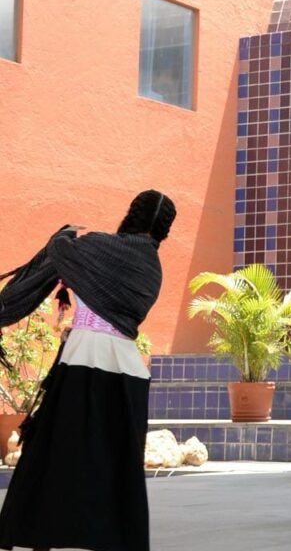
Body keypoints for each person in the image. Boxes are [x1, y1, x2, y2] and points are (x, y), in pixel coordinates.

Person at [0, 190, 177, 551]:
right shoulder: (152, 270)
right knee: (114, 465)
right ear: (164, 228)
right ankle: (111, 539)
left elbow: (59, 250)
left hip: (82, 362)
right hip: (127, 371)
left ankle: (38, 536)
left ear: (132, 214)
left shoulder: (92, 248)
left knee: (54, 454)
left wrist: (64, 233)